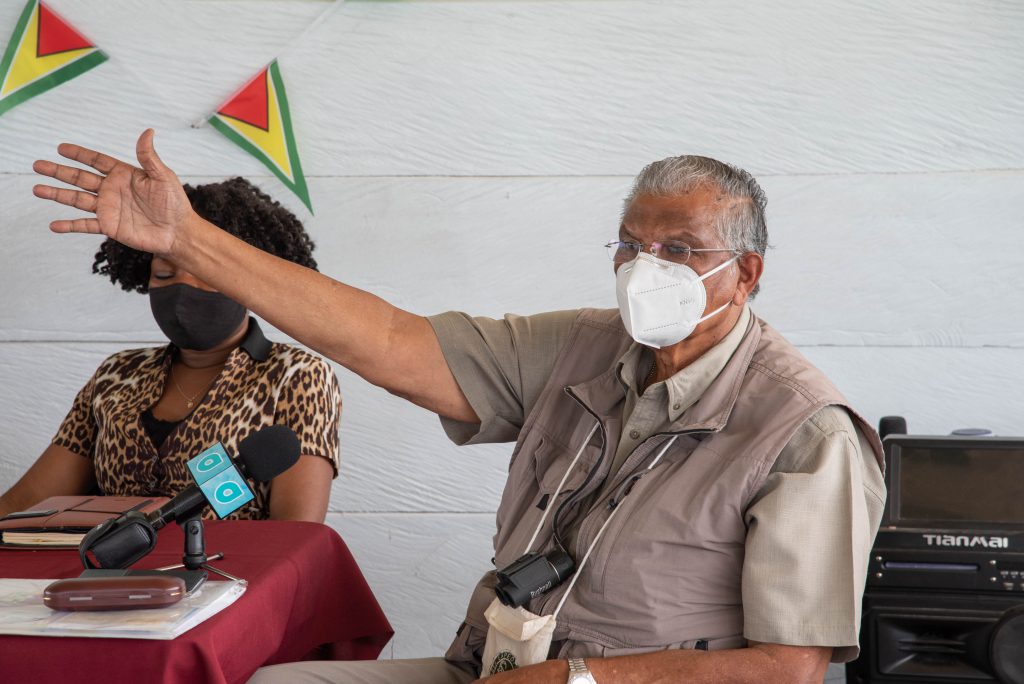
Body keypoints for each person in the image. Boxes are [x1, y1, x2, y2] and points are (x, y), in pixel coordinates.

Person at [32, 131, 885, 684]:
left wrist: (584, 680)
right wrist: (190, 240)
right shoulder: (579, 346)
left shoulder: (804, 427)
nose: (644, 265)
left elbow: (790, 662)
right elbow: (393, 343)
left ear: (746, 275)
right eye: (631, 243)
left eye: (680, 250)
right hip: (495, 667)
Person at [2, 176, 342, 523]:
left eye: (206, 274)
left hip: (236, 574)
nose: (184, 290)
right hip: (111, 574)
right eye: (164, 275)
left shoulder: (297, 375)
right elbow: (28, 501)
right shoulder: (117, 374)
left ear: (251, 279)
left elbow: (297, 534)